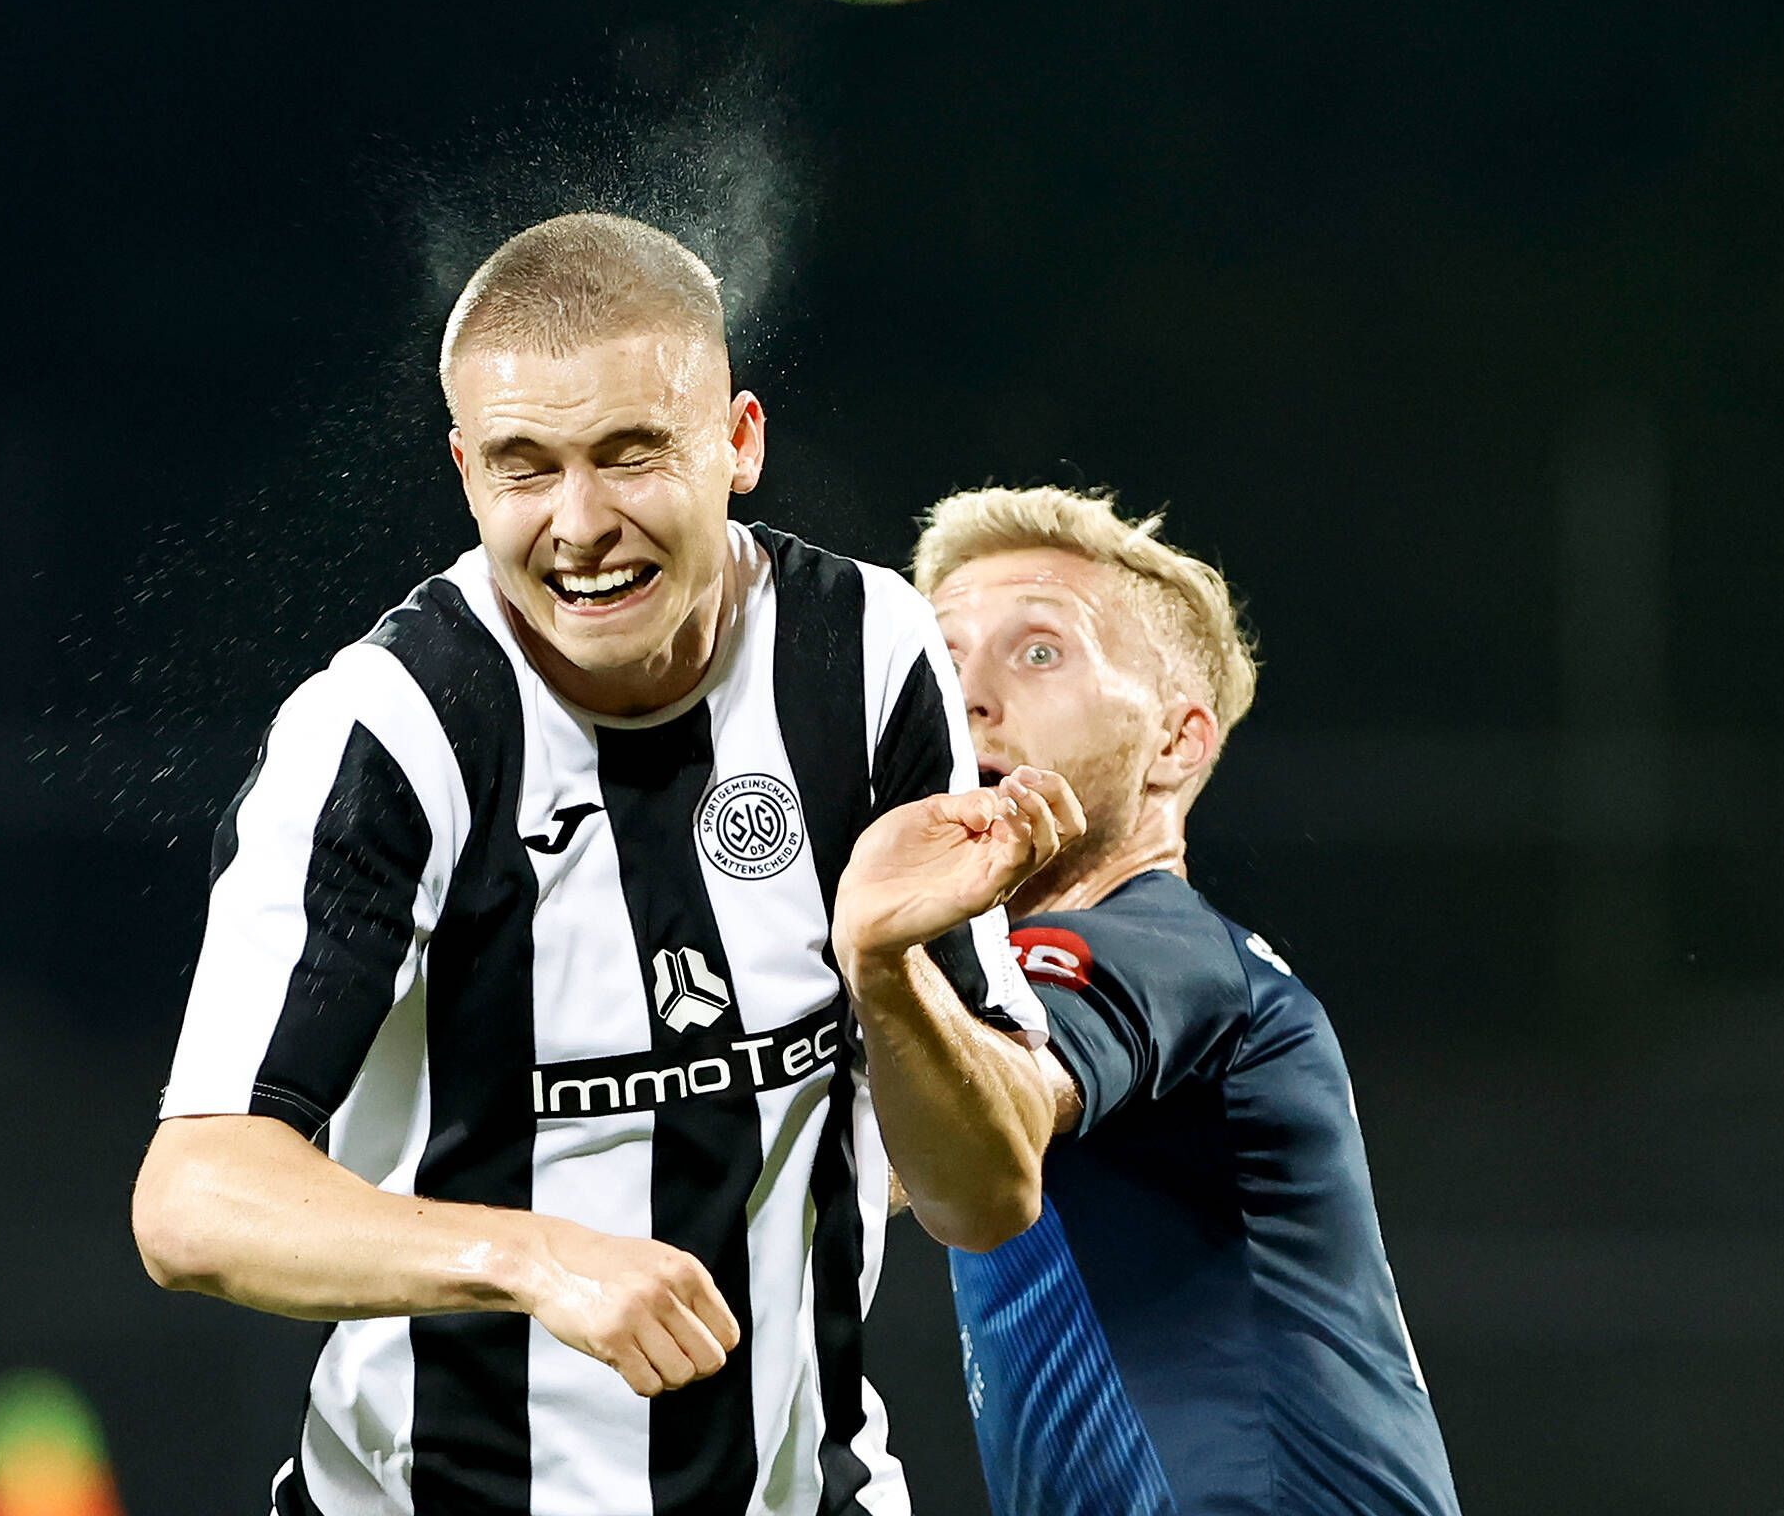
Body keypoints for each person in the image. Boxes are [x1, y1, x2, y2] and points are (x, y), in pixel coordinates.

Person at [130, 212, 1081, 1516]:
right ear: (466, 473)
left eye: (632, 454)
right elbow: (195, 1198)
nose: (581, 523)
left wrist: (887, 968)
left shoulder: (867, 656)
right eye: (525, 467)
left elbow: (989, 1196)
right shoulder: (392, 730)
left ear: (739, 442)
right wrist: (533, 1258)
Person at [916, 486, 1461, 1516]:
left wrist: (871, 956)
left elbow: (967, 1126)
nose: (969, 696)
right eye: (939, 660)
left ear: (1177, 743)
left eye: (1040, 651)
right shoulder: (1006, 982)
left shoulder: (1152, 944)